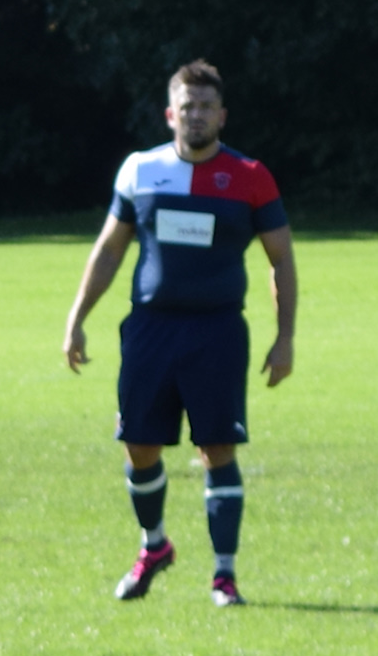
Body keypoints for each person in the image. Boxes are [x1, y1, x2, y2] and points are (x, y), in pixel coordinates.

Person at [62, 59, 297, 607]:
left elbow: (281, 259)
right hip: (150, 329)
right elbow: (110, 250)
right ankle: (154, 546)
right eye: (187, 106)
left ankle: (224, 577)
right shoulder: (140, 170)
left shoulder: (250, 177)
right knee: (139, 444)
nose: (196, 115)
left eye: (206, 107)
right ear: (170, 114)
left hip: (217, 331)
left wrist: (284, 336)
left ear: (222, 116)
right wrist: (76, 320)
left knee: (218, 447)